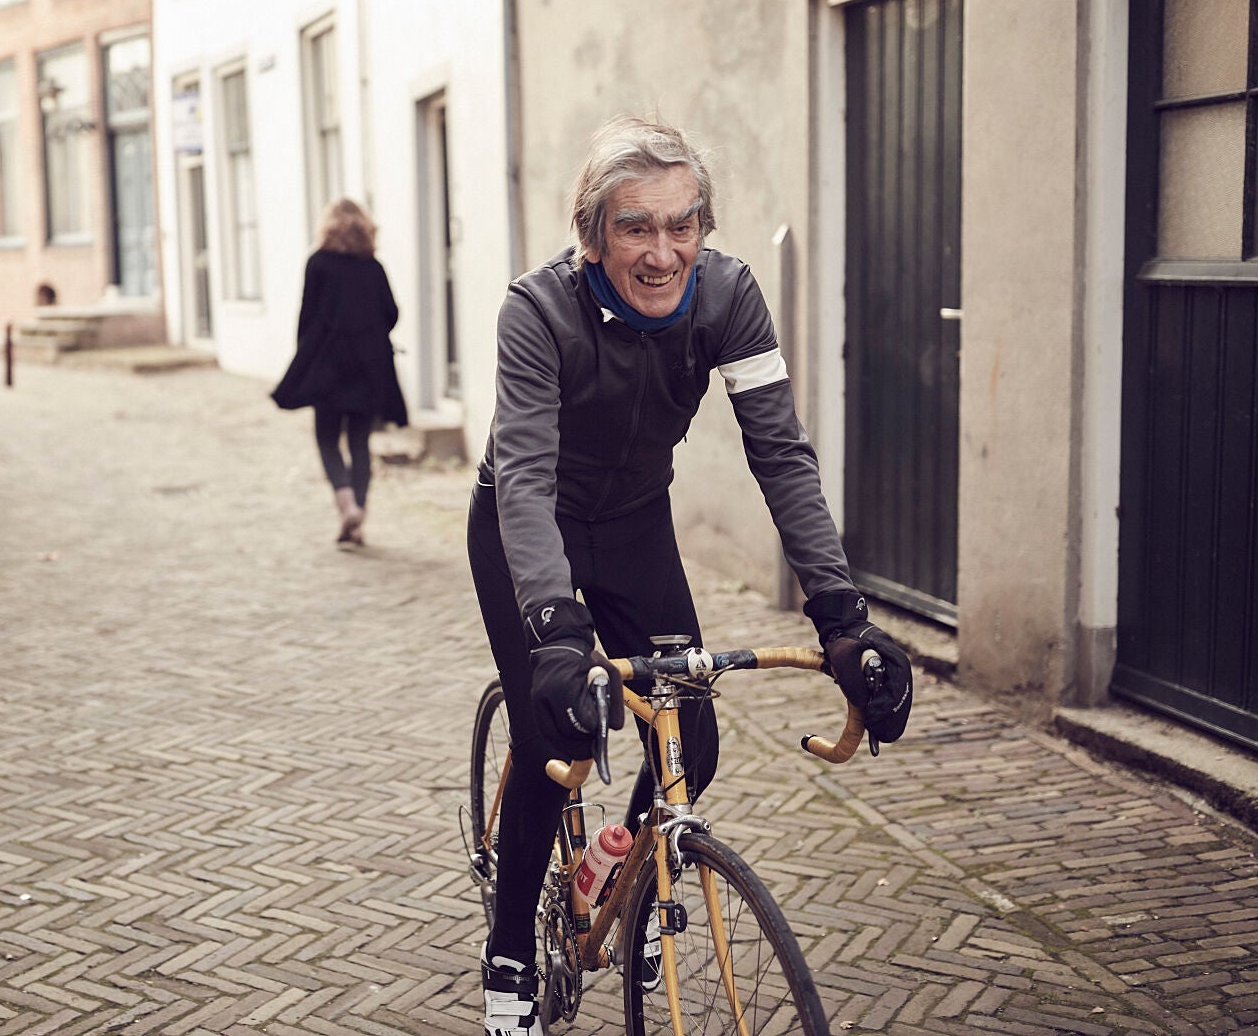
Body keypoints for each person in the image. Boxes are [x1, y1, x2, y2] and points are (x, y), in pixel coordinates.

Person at [471, 116, 914, 1035]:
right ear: (592, 235)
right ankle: (511, 955)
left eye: (683, 225)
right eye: (636, 226)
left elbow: (781, 455)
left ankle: (625, 864)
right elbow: (521, 473)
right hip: (529, 524)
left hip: (632, 523)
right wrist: (557, 632)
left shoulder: (730, 297)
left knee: (692, 741)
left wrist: (841, 613)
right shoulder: (537, 311)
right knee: (557, 739)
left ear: (703, 227)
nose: (663, 251)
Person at [272, 197, 409, 546]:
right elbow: (391, 312)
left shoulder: (317, 263)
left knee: (327, 439)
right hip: (368, 365)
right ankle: (358, 517)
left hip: (328, 367)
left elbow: (307, 315)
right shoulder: (372, 266)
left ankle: (346, 503)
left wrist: (306, 356)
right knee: (360, 442)